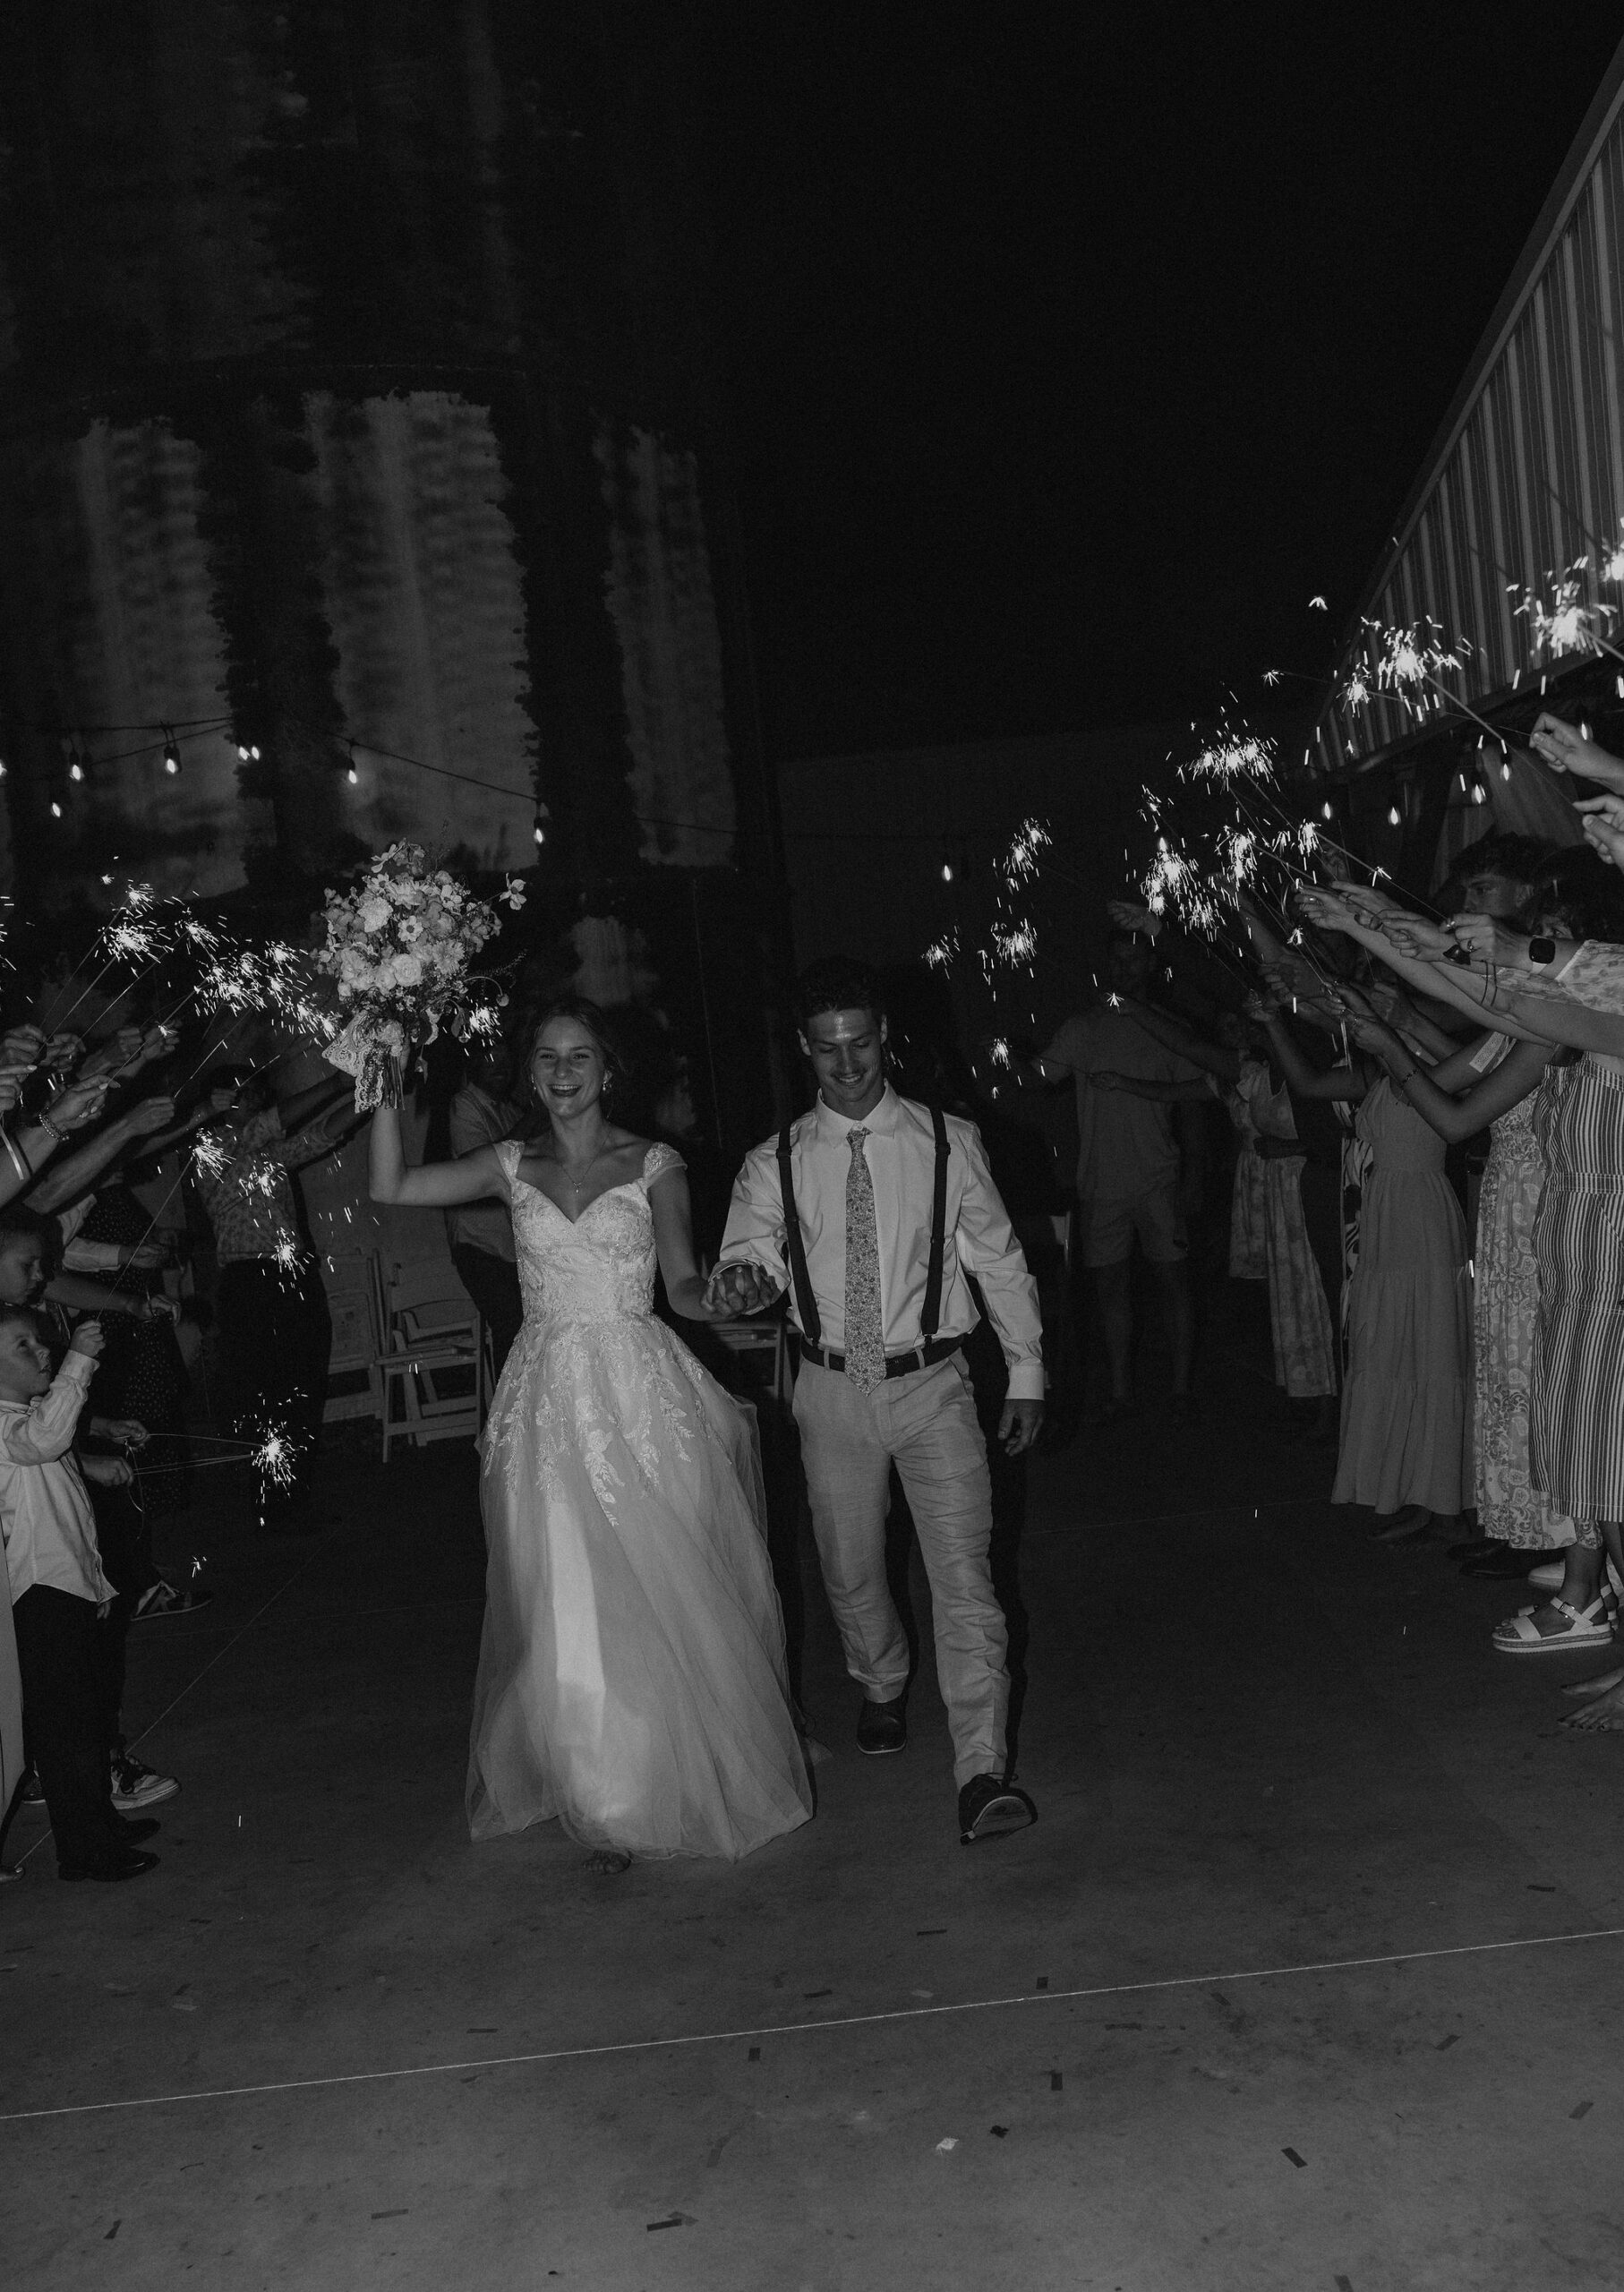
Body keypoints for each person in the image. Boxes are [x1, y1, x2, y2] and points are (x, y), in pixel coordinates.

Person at [367, 996, 812, 1870]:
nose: (563, 1071)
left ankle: (664, 1777)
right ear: (529, 1074)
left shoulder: (655, 1165)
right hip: (543, 1400)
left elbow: (683, 1288)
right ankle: (602, 1797)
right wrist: (382, 1075)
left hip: (638, 1396)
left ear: (608, 1071)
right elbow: (392, 1187)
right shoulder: (510, 1162)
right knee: (563, 1595)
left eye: (580, 1056)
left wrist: (729, 1294)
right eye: (547, 1056)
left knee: (657, 1585)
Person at [709, 956, 1044, 1846]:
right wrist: (745, 1282)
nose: (848, 1064)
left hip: (934, 1384)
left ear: (885, 1037)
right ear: (804, 1049)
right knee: (850, 1568)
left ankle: (982, 1770)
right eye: (828, 1049)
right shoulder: (773, 1161)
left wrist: (1026, 1372)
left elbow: (998, 1258)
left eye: (860, 1043)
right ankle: (881, 1678)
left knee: (965, 1578)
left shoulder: (947, 1141)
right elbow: (751, 1256)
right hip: (829, 1389)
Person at [1258, 981, 1473, 1535]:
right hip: (1384, 1215)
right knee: (1391, 1348)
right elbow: (1307, 1084)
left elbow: (1474, 1071)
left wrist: (1396, 1028)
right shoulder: (1376, 1072)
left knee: (1429, 1354)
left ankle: (1441, 1503)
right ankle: (1408, 1489)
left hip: (1421, 1214)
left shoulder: (1432, 1068)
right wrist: (1274, 1022)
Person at [0, 1310, 158, 1881]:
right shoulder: (9, 1428)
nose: (42, 1350)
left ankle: (99, 1824)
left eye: (39, 1341)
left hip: (64, 1588)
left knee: (85, 1720)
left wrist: (93, 1582)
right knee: (66, 1730)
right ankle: (84, 1849)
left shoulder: (25, 1417)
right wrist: (79, 1363)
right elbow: (46, 1440)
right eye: (23, 1345)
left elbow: (65, 1505)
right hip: (39, 1598)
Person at [1033, 928, 1201, 1421]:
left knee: (1173, 1283)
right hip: (1102, 1183)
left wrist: (1195, 1175)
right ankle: (1122, 1391)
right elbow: (1039, 1077)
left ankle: (1181, 1388)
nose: (1125, 970)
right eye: (1118, 961)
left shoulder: (1170, 1029)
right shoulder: (1084, 1028)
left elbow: (1195, 1103)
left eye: (1134, 960)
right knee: (1111, 1289)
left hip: (1159, 1178)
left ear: (1150, 965)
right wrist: (1007, 1058)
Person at [192, 1067, 363, 1520]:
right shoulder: (210, 1147)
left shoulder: (265, 1153)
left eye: (255, 1093)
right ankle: (271, 1503)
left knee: (302, 1385)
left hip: (291, 1275)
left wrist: (371, 1097)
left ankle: (292, 1498)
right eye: (243, 1094)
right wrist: (338, 1083)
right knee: (265, 1392)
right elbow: (270, 1124)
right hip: (250, 1282)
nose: (254, 1100)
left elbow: (320, 1137)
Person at [444, 1039, 525, 1380]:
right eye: (491, 1055)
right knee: (511, 1327)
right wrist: (537, 1119)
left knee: (529, 1330)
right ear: (473, 1060)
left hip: (513, 1248)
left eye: (507, 1056)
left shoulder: (510, 1110)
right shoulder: (464, 1105)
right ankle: (509, 1410)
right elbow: (484, 1170)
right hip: (479, 1244)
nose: (501, 1065)